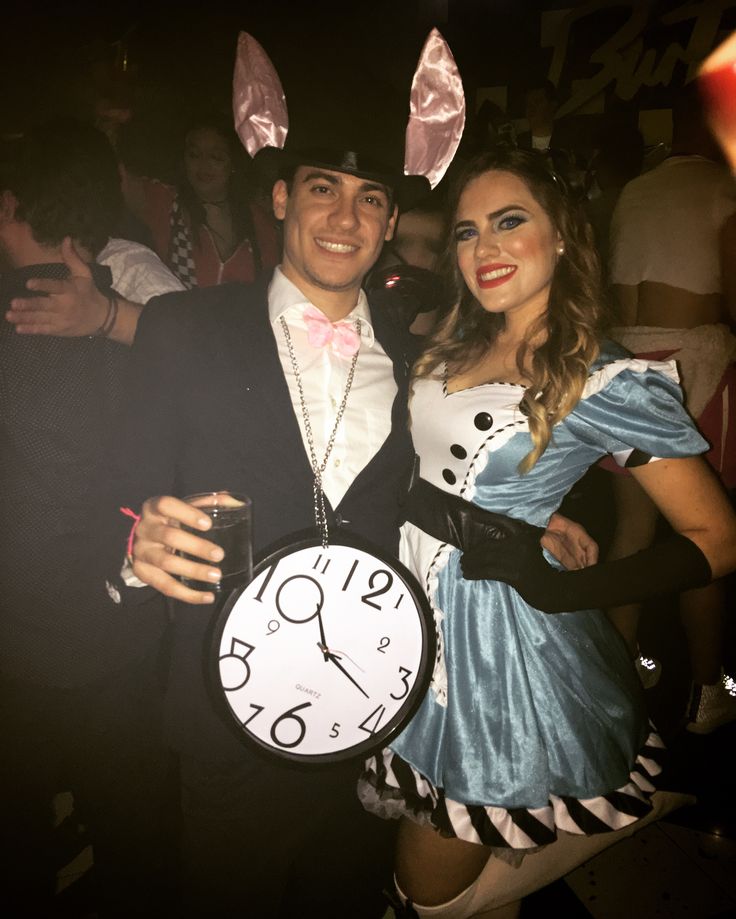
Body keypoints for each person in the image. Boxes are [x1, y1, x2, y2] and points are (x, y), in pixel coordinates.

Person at [105, 31, 597, 918]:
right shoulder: (183, 326)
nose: (345, 218)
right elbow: (121, 495)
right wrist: (133, 546)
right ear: (282, 195)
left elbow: (425, 489)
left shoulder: (423, 345)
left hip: (377, 706)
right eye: (323, 189)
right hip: (229, 715)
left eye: (371, 199)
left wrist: (512, 524)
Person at [358, 147, 736, 918]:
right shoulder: (455, 339)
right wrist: (534, 513)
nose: (483, 249)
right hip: (406, 606)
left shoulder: (604, 374)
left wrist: (565, 588)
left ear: (562, 234)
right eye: (467, 232)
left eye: (509, 222)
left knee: (426, 892)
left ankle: (637, 810)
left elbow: (717, 536)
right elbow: (441, 469)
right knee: (483, 877)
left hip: (492, 640)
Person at [0, 118, 174, 917]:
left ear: (11, 206)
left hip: (22, 640)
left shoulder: (106, 319)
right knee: (135, 839)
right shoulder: (134, 327)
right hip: (121, 632)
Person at [606, 83, 736, 730]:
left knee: (633, 528)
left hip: (626, 367)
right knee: (706, 535)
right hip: (693, 367)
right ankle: (707, 691)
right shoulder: (723, 187)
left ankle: (616, 669)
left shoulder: (636, 188)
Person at [122, 113, 279, 288]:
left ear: (233, 164)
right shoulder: (165, 202)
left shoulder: (258, 221)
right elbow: (117, 178)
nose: (203, 165)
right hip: (179, 314)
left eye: (216, 157)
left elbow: (271, 287)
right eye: (194, 155)